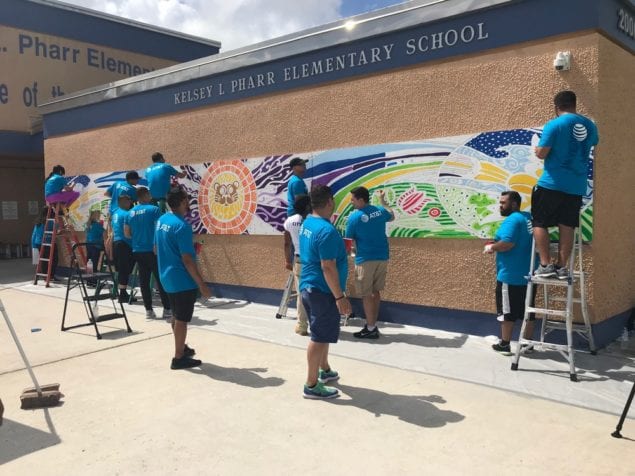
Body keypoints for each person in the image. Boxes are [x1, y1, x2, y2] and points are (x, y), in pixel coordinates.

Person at [532, 90, 599, 280]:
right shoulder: (590, 125)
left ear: (557, 107)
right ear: (574, 104)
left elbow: (542, 153)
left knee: (539, 222)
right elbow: (593, 143)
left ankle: (545, 265)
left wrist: (538, 149)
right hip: (576, 186)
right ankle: (561, 267)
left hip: (552, 184)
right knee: (567, 225)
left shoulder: (554, 124)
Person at [299, 185, 351, 399]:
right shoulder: (326, 230)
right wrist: (340, 297)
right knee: (319, 336)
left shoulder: (308, 223)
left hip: (310, 287)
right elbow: (327, 266)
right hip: (322, 291)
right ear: (329, 201)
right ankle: (311, 385)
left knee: (322, 332)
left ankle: (325, 369)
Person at [155, 187, 212, 370]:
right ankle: (179, 358)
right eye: (187, 199)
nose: (189, 202)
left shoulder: (162, 220)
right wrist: (201, 285)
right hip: (181, 280)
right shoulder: (182, 226)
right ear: (181, 202)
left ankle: (182, 347)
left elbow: (157, 249)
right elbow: (187, 260)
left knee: (175, 315)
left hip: (166, 277)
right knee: (181, 319)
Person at [484, 191, 535, 354]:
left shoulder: (512, 219)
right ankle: (527, 344)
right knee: (528, 311)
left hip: (510, 275)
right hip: (529, 275)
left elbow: (507, 244)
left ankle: (505, 344)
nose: (500, 205)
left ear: (513, 204)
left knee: (507, 312)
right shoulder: (527, 217)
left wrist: (491, 247)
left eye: (503, 203)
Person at [345, 186, 394, 339]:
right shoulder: (379, 211)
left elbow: (347, 241)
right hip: (382, 257)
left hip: (365, 260)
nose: (351, 202)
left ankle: (371, 327)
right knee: (375, 291)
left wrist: (343, 256)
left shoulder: (354, 217)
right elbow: (392, 215)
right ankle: (372, 324)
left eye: (353, 199)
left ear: (360, 199)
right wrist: (382, 200)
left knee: (366, 294)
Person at [124, 186, 171, 319]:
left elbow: (127, 234)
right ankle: (167, 309)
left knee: (144, 281)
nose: (150, 196)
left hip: (137, 250)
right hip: (152, 250)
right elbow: (159, 229)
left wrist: (138, 237)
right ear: (145, 196)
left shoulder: (130, 213)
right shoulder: (154, 209)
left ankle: (149, 311)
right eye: (149, 194)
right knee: (160, 280)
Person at [283, 194, 311, 336]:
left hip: (299, 260)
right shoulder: (313, 221)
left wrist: (287, 260)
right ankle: (314, 323)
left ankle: (301, 325)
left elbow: (287, 243)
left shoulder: (290, 221)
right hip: (313, 260)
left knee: (302, 294)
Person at [111, 195, 135, 303]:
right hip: (125, 243)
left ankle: (122, 292)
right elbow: (131, 230)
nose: (131, 203)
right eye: (129, 200)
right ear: (124, 202)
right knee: (125, 269)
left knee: (121, 269)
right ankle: (122, 294)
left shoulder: (115, 213)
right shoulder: (126, 214)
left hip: (116, 242)